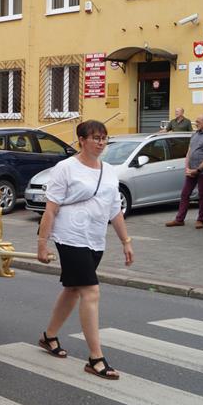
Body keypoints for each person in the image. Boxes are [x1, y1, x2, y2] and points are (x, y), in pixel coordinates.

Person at [37, 119, 135, 380]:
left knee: (73, 289)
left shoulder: (110, 171)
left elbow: (115, 209)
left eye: (103, 138)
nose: (101, 142)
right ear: (81, 140)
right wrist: (42, 243)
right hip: (70, 236)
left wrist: (126, 241)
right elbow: (51, 208)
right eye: (95, 138)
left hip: (95, 238)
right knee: (90, 290)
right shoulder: (65, 169)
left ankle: (49, 336)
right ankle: (95, 357)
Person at [166, 114, 203, 229]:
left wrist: (198, 170)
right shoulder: (194, 135)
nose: (196, 123)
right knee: (185, 194)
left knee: (202, 195)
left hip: (202, 172)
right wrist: (187, 168)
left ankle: (200, 220)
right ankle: (179, 219)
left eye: (198, 121)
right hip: (191, 171)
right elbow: (189, 152)